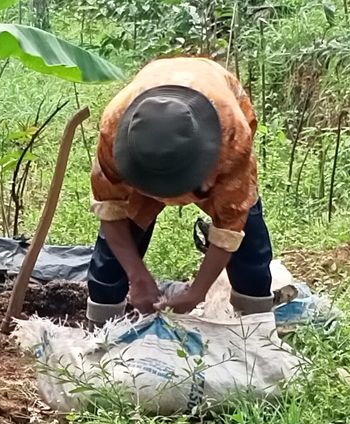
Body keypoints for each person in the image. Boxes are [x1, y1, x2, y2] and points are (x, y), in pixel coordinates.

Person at [87, 57, 274, 324]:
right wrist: (137, 276)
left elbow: (230, 226)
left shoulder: (231, 136)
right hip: (148, 117)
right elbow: (111, 208)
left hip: (217, 103)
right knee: (110, 263)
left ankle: (256, 327)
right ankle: (102, 326)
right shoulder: (114, 132)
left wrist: (196, 292)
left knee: (250, 248)